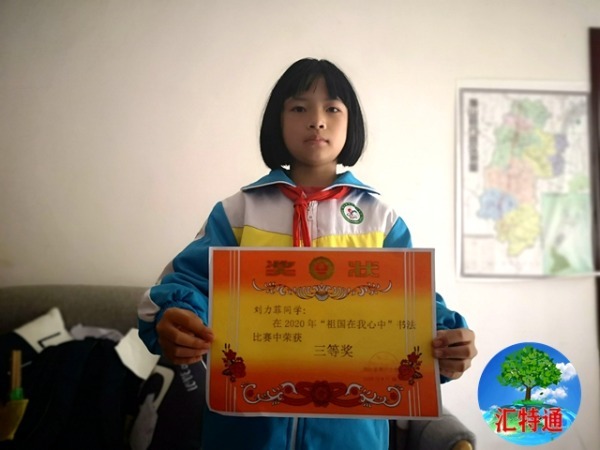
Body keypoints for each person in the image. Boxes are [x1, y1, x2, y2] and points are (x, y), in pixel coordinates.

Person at [138, 57, 477, 450]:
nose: (317, 121)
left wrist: (446, 342)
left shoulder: (380, 219)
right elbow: (187, 283)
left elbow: (413, 306)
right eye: (299, 108)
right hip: (244, 434)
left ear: (351, 123)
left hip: (352, 438)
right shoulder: (238, 212)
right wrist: (176, 317)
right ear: (277, 121)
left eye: (332, 109)